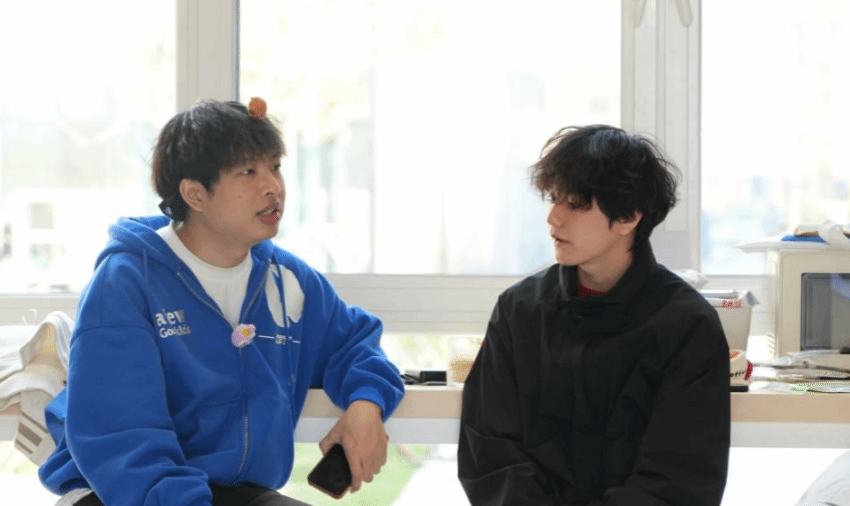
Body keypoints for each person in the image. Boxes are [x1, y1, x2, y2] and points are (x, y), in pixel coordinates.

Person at [37, 98, 405, 506]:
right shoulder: (126, 283)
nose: (272, 186)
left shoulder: (288, 280)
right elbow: (124, 440)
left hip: (233, 489)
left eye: (275, 166)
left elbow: (354, 343)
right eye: (248, 171)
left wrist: (367, 404)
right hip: (120, 491)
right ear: (195, 194)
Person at [457, 125, 730, 505]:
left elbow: (678, 480)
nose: (553, 217)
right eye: (553, 198)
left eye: (574, 203)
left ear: (628, 216)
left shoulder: (688, 326)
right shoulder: (519, 310)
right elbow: (490, 452)